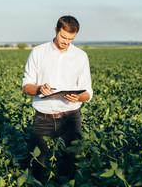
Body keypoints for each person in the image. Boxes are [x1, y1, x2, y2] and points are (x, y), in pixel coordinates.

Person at [22, 15, 93, 181]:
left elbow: (88, 92)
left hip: (71, 117)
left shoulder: (81, 56)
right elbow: (26, 86)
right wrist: (39, 88)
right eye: (63, 37)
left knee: (71, 165)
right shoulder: (38, 53)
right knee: (39, 165)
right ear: (56, 30)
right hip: (43, 118)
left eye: (71, 39)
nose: (66, 42)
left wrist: (78, 97)